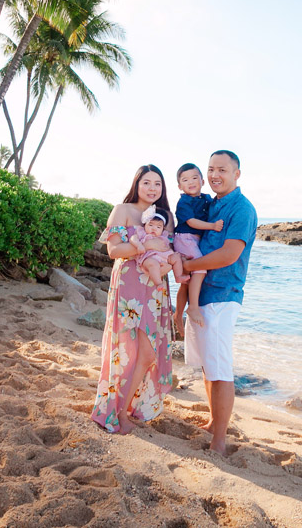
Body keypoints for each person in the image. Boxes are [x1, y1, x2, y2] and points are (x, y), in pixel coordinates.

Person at [182, 151, 257, 455]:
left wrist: (186, 267)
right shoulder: (210, 205)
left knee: (221, 368)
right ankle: (215, 421)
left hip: (224, 294)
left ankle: (220, 440)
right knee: (207, 364)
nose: (215, 175)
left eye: (222, 170)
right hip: (202, 296)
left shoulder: (242, 208)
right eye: (211, 169)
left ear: (237, 174)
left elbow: (229, 254)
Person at [91, 164, 175, 435]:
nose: (152, 189)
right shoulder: (123, 210)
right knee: (126, 350)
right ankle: (116, 412)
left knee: (148, 353)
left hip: (155, 288)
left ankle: (126, 406)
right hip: (128, 287)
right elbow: (114, 251)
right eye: (147, 183)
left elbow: (170, 253)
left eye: (157, 184)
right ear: (136, 184)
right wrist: (147, 245)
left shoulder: (167, 217)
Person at [172, 163, 223, 338]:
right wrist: (212, 226)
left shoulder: (207, 199)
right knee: (200, 268)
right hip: (185, 238)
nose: (191, 182)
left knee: (186, 282)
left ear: (202, 181)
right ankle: (192, 307)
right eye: (185, 180)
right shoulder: (184, 201)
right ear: (180, 186)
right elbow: (192, 222)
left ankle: (177, 314)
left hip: (194, 240)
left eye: (194, 178)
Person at [129, 208, 186, 286]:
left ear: (163, 229)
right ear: (145, 224)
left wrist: (171, 253)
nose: (154, 228)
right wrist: (139, 245)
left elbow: (167, 247)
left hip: (163, 257)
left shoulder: (163, 236)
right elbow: (133, 239)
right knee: (153, 264)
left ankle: (178, 276)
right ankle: (158, 283)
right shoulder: (142, 233)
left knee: (176, 257)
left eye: (158, 227)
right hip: (148, 257)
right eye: (151, 225)